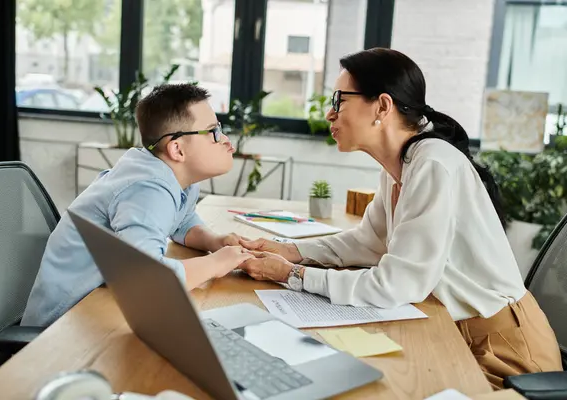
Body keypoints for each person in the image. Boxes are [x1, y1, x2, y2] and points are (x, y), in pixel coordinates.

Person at [238, 48, 562, 388]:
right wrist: (287, 249)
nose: (329, 114)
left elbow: (399, 283)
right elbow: (367, 243)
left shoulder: (432, 163)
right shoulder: (401, 165)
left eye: (339, 100)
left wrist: (294, 275)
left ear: (382, 105)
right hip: (453, 330)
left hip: (506, 354)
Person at [22, 83, 253, 328]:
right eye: (213, 132)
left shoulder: (173, 176)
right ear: (177, 149)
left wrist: (213, 242)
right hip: (63, 325)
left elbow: (182, 221)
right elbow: (147, 279)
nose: (225, 140)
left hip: (102, 307)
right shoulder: (147, 189)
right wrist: (215, 264)